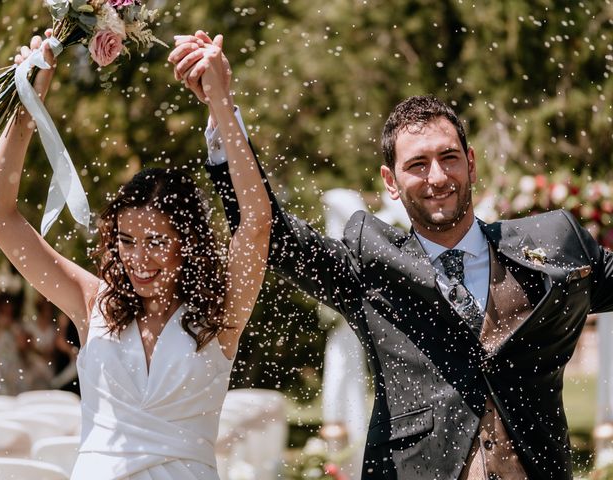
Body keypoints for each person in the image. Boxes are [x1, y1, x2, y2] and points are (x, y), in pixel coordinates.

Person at [169, 35, 613, 480]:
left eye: (449, 158)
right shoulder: (371, 268)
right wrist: (222, 109)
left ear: (471, 164)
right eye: (417, 165)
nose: (437, 177)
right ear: (391, 181)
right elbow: (275, 234)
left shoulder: (553, 243)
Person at [0, 30, 271, 480]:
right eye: (127, 241)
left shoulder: (220, 313)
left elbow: (256, 226)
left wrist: (221, 104)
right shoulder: (93, 301)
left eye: (156, 242)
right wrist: (28, 103)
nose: (138, 259)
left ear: (187, 243)